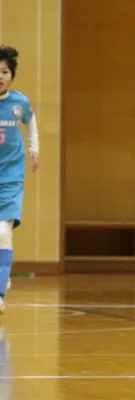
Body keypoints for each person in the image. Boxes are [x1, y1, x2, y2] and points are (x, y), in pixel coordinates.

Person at [0, 45, 39, 314]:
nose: (0, 77)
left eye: (4, 72)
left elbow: (31, 120)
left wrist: (34, 147)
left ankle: (0, 292)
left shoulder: (19, 103)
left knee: (3, 233)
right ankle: (3, 273)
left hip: (11, 175)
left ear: (12, 75)